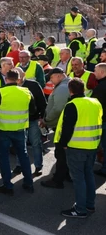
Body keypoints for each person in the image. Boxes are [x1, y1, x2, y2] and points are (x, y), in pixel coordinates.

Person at [54, 78, 102, 218]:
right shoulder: (95, 102)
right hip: (92, 145)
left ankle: (80, 209)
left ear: (70, 90)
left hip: (76, 147)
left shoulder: (72, 105)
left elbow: (68, 128)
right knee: (88, 175)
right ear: (84, 89)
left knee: (79, 179)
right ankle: (89, 205)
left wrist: (63, 144)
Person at [0, 69, 36, 195]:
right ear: (18, 79)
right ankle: (29, 183)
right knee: (23, 155)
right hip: (20, 129)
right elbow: (33, 110)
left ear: (6, 79)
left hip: (3, 129)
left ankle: (8, 185)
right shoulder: (26, 92)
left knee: (4, 157)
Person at [41, 68, 74, 189]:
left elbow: (58, 108)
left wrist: (47, 120)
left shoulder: (62, 88)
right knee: (64, 154)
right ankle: (65, 174)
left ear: (59, 76)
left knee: (60, 153)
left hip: (61, 125)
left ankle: (58, 179)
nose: (51, 81)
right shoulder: (66, 85)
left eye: (52, 78)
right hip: (63, 124)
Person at [10, 68, 47, 177]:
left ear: (24, 74)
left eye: (19, 75)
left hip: (33, 119)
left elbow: (42, 102)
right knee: (20, 144)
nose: (18, 78)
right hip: (19, 121)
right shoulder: (11, 86)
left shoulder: (33, 85)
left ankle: (38, 166)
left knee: (36, 143)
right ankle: (19, 165)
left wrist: (42, 117)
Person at [92, 63, 106, 177]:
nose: (94, 73)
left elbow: (96, 105)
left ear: (102, 72)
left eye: (95, 71)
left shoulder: (101, 87)